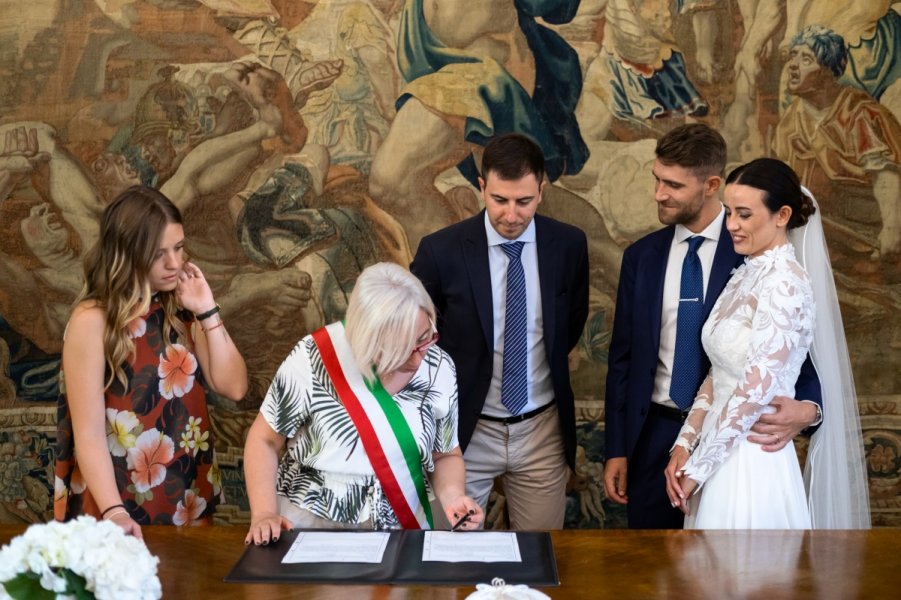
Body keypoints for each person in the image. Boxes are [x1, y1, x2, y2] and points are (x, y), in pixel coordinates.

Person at [604, 124, 823, 529]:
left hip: (741, 448)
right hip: (655, 434)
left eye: (672, 184)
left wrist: (810, 410)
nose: (658, 194)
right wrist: (623, 447)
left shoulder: (753, 254)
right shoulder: (643, 257)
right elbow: (624, 359)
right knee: (654, 575)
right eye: (657, 180)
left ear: (711, 185)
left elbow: (788, 358)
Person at [663, 158, 868, 528]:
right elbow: (719, 371)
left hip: (751, 462)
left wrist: (698, 469)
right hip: (716, 449)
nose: (731, 226)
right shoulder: (745, 274)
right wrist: (686, 442)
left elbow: (754, 391)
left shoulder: (786, 285)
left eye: (744, 214)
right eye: (729, 212)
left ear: (782, 215)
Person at [411, 133, 589, 530]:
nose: (511, 214)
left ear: (541, 190)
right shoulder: (440, 252)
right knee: (450, 554)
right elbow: (418, 346)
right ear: (481, 187)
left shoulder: (568, 245)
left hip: (541, 429)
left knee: (539, 557)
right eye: (499, 200)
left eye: (524, 201)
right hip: (461, 434)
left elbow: (569, 326)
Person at [54, 186, 248, 538]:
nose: (175, 263)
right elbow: (88, 433)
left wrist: (206, 309)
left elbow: (234, 387)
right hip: (118, 503)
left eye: (179, 247)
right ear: (127, 253)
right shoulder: (92, 321)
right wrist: (114, 513)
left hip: (186, 496)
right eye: (159, 254)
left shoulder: (181, 308)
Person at [243, 262, 483, 544]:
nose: (418, 359)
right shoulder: (313, 357)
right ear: (367, 338)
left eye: (423, 339)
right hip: (313, 526)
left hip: (405, 527)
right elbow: (264, 440)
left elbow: (446, 455)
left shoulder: (438, 366)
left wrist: (453, 495)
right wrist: (263, 514)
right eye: (400, 351)